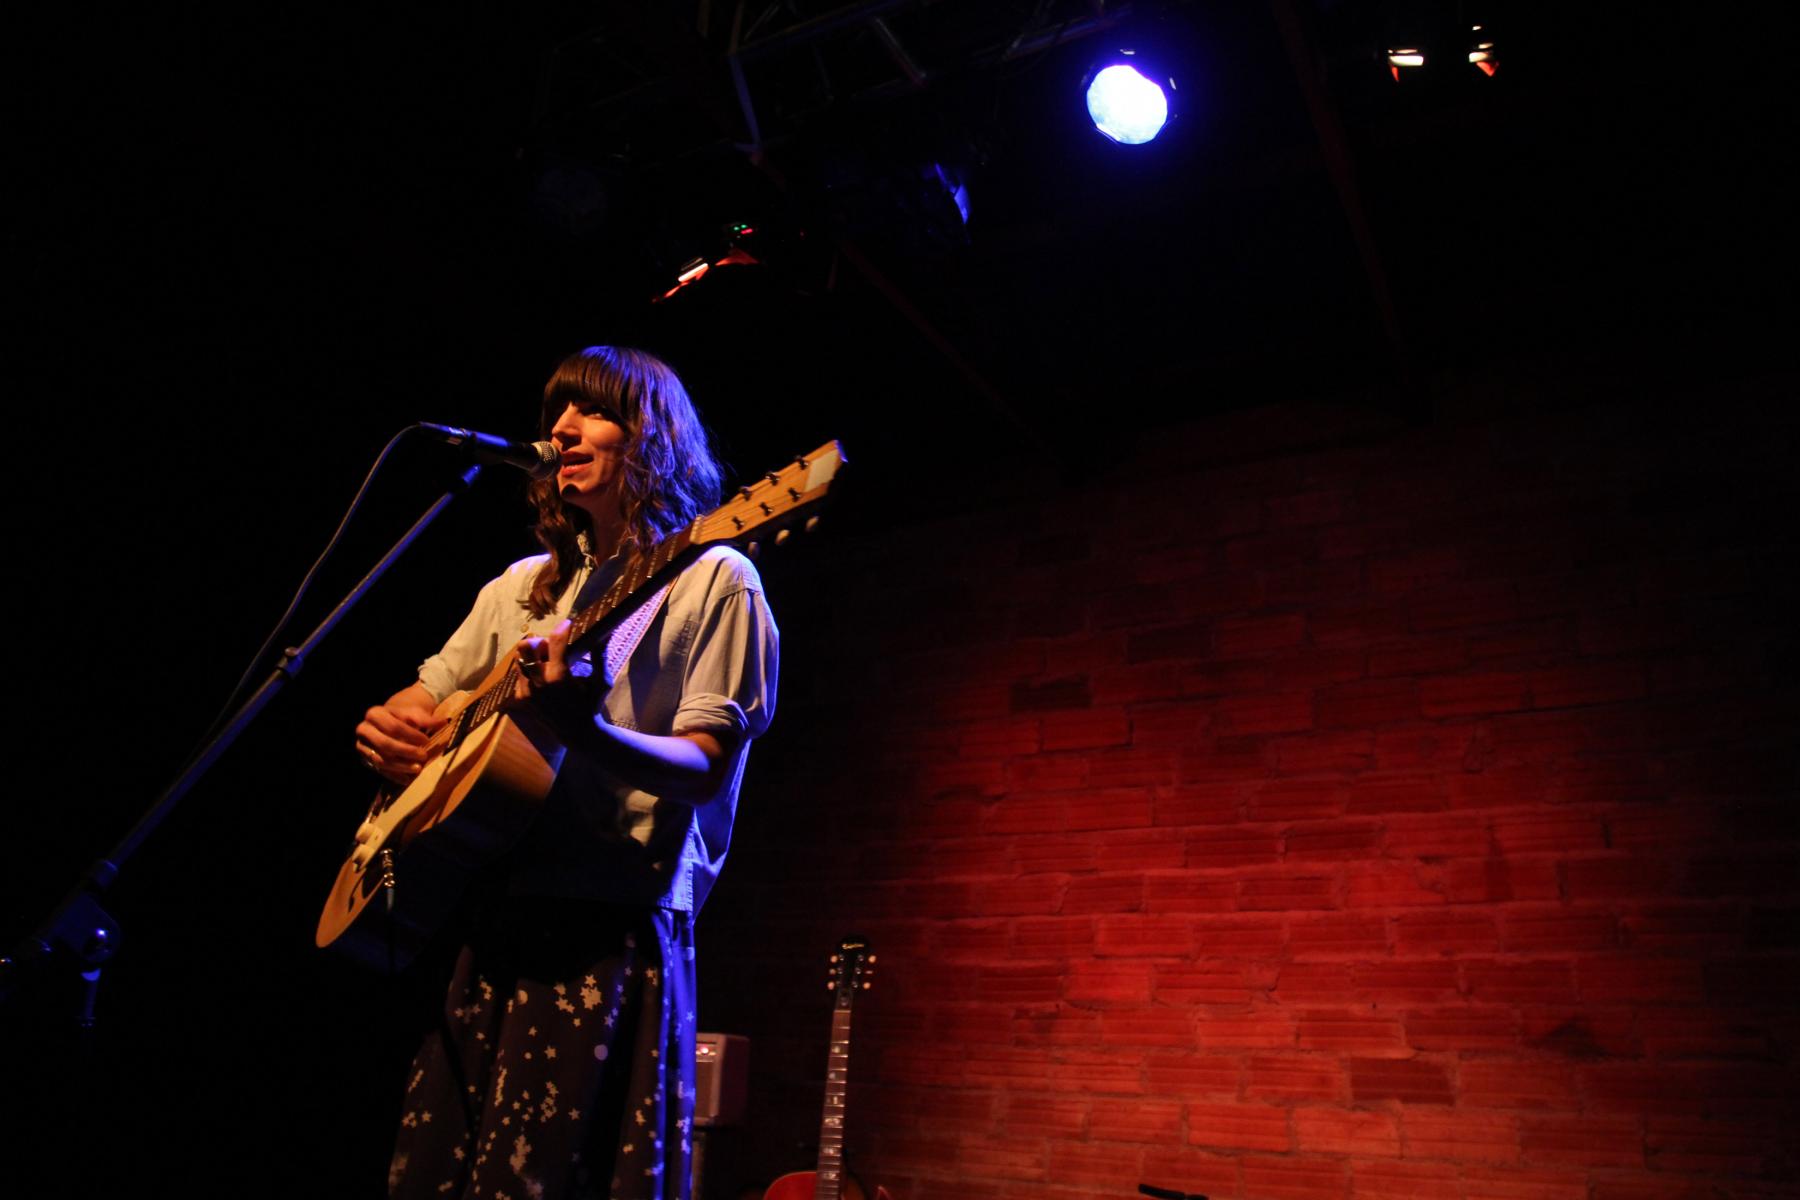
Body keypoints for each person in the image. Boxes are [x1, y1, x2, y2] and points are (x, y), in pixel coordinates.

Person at [353, 346, 778, 1200]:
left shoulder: (714, 579)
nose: (561, 429)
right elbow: (424, 697)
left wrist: (580, 727)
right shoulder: (519, 589)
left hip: (610, 934)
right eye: (556, 412)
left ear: (650, 435)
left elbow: (701, 770)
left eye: (591, 411)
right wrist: (388, 730)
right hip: (492, 922)